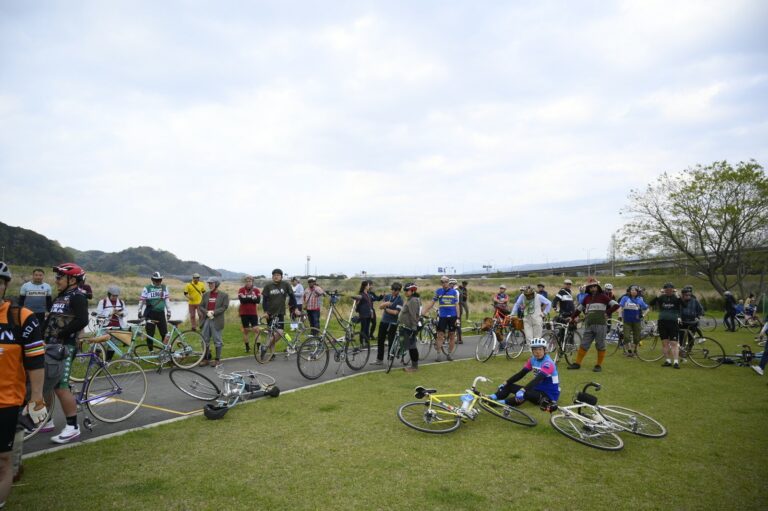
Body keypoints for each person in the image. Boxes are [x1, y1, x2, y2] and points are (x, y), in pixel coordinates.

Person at [0, 262, 46, 507]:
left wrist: (36, 397)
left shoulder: (21, 317)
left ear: (5, 286)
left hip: (6, 402)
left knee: (3, 461)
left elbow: (35, 361)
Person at [42, 263, 90, 443]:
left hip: (65, 348)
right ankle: (46, 420)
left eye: (59, 277)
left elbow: (82, 320)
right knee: (46, 383)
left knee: (61, 386)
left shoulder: (78, 297)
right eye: (57, 277)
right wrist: (40, 337)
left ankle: (72, 427)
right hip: (50, 346)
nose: (56, 280)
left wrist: (61, 334)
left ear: (72, 280)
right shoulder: (61, 297)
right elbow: (50, 319)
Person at [487, 337, 560, 408]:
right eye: (535, 350)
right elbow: (521, 374)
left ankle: (499, 403)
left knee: (524, 394)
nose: (537, 352)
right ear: (532, 351)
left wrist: (523, 390)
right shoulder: (532, 360)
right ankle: (491, 397)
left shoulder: (548, 363)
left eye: (540, 349)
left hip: (548, 395)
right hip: (536, 389)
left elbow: (537, 380)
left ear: (545, 350)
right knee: (508, 385)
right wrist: (506, 382)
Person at [568, 278, 619, 372]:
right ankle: (577, 364)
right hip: (589, 325)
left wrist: (607, 312)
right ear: (588, 288)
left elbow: (616, 305)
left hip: (601, 325)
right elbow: (579, 309)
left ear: (598, 287)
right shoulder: (586, 298)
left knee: (600, 345)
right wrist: (572, 317)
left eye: (594, 286)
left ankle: (598, 365)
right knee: (584, 344)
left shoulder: (603, 296)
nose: (593, 288)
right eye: (591, 287)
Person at [421, 276, 460, 362]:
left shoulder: (454, 292)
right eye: (442, 282)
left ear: (448, 282)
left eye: (446, 281)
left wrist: (458, 317)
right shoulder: (438, 291)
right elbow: (432, 303)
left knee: (452, 335)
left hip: (452, 316)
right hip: (442, 317)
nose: (444, 283)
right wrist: (424, 311)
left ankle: (449, 354)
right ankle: (438, 355)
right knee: (440, 336)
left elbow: (457, 305)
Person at [260, 269, 297, 357]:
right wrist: (265, 312)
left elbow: (292, 297)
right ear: (272, 276)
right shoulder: (268, 286)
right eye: (274, 275)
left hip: (280, 313)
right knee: (271, 333)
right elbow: (264, 301)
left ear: (281, 276)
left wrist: (295, 308)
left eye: (278, 275)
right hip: (269, 313)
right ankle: (272, 354)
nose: (276, 277)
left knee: (280, 332)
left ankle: (265, 347)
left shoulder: (285, 285)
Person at [649, 283, 683, 369]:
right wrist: (658, 295)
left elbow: (684, 305)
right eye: (666, 290)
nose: (668, 291)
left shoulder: (676, 298)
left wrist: (678, 295)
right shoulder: (662, 297)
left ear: (673, 290)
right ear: (664, 290)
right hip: (662, 322)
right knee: (665, 343)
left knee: (674, 343)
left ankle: (676, 362)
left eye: (670, 289)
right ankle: (668, 361)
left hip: (673, 322)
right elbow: (651, 303)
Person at [198, 277, 229, 368]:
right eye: (209, 283)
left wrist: (213, 312)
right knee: (204, 339)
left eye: (211, 283)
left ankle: (217, 360)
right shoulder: (206, 294)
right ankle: (206, 358)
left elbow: (224, 307)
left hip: (217, 320)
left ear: (216, 284)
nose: (209, 285)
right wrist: (206, 312)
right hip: (206, 319)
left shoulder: (224, 295)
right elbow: (201, 306)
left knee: (217, 340)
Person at [371, 282, 404, 365]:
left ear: (398, 291)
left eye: (395, 290)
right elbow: (380, 306)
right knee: (380, 340)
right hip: (384, 321)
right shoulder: (388, 296)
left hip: (392, 323)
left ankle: (390, 359)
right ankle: (379, 359)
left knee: (391, 341)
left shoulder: (400, 300)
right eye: (392, 289)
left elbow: (395, 312)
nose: (393, 291)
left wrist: (386, 309)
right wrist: (386, 304)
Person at [138, 272, 171, 349]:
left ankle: (166, 350)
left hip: (161, 313)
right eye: (156, 280)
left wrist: (169, 311)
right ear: (152, 280)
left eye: (160, 280)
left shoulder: (164, 287)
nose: (158, 282)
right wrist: (139, 311)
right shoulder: (147, 288)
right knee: (150, 334)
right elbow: (142, 301)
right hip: (150, 314)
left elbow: (167, 300)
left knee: (164, 333)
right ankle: (151, 351)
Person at [618, 286, 648, 357]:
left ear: (637, 292)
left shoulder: (639, 300)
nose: (633, 291)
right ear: (629, 291)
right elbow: (620, 307)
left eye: (635, 290)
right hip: (627, 321)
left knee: (637, 338)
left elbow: (647, 308)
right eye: (632, 290)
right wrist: (620, 315)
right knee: (626, 337)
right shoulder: (625, 298)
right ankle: (629, 350)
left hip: (636, 321)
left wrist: (643, 315)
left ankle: (635, 351)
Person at [399, 283, 422, 372]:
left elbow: (414, 316)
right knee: (410, 346)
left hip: (411, 327)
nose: (405, 292)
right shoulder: (410, 299)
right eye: (404, 290)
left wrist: (414, 328)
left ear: (412, 291)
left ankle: (414, 367)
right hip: (407, 327)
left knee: (412, 347)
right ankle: (413, 365)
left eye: (407, 290)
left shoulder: (413, 301)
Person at [237, 276, 261, 353]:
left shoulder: (256, 290)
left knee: (256, 330)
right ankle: (247, 348)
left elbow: (258, 301)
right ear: (245, 282)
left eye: (250, 281)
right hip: (244, 313)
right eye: (247, 281)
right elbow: (242, 301)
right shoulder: (241, 290)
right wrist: (252, 298)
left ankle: (258, 347)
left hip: (253, 313)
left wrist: (246, 298)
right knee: (246, 331)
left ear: (252, 282)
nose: (248, 283)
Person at [354, 280, 374, 349]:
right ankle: (361, 343)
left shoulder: (368, 294)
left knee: (367, 328)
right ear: (365, 286)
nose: (369, 286)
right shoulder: (361, 294)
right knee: (363, 328)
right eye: (368, 285)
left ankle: (367, 342)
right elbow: (357, 303)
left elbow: (370, 304)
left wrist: (371, 312)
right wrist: (357, 306)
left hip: (368, 313)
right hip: (363, 314)